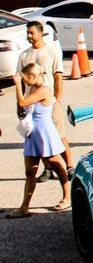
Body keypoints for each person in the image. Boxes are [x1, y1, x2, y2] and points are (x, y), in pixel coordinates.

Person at [15, 20, 73, 180]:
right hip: (31, 105)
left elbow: (58, 76)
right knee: (37, 136)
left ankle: (69, 166)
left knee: (59, 135)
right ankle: (48, 169)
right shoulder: (24, 55)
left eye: (32, 32)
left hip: (49, 102)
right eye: (27, 32)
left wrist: (58, 100)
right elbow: (19, 81)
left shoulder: (51, 51)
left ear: (41, 33)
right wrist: (18, 106)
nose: (29, 36)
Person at [13, 59, 70, 214]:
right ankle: (24, 206)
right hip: (33, 134)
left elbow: (23, 102)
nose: (25, 82)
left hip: (45, 133)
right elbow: (24, 106)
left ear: (33, 76)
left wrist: (18, 84)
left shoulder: (44, 89)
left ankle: (67, 197)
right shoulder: (33, 89)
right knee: (30, 171)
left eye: (26, 79)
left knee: (56, 165)